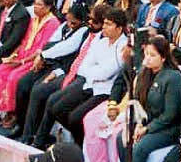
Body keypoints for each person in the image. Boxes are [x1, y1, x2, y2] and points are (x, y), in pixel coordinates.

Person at [42, 8, 128, 146]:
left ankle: (82, 146)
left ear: (119, 28)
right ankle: (82, 141)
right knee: (57, 108)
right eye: (104, 23)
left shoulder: (124, 46)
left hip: (106, 90)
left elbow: (107, 72)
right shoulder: (102, 41)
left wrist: (95, 70)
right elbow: (84, 66)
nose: (104, 27)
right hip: (89, 83)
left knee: (75, 118)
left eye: (109, 24)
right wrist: (95, 71)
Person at [0, 0, 61, 127]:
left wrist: (22, 61)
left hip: (35, 59)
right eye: (35, 4)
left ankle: (13, 113)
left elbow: (42, 49)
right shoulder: (34, 19)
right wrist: (14, 55)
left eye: (39, 5)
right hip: (22, 54)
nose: (35, 7)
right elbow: (23, 40)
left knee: (14, 78)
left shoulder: (53, 23)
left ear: (48, 7)